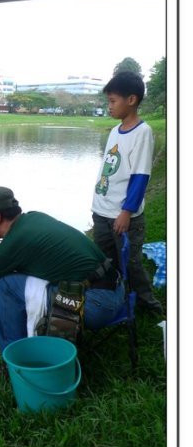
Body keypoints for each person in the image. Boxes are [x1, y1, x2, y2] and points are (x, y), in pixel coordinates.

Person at [0, 186, 125, 353]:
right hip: (115, 289)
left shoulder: (14, 243)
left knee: (7, 285)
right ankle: (25, 342)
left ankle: (14, 353)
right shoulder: (32, 219)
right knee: (14, 276)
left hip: (96, 305)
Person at [91, 71, 162, 315]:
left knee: (131, 263)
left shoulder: (142, 133)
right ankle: (115, 300)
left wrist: (126, 212)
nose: (108, 106)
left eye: (112, 101)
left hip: (123, 217)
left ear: (131, 100)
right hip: (101, 211)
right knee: (105, 261)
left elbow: (140, 177)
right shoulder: (115, 131)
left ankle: (149, 307)